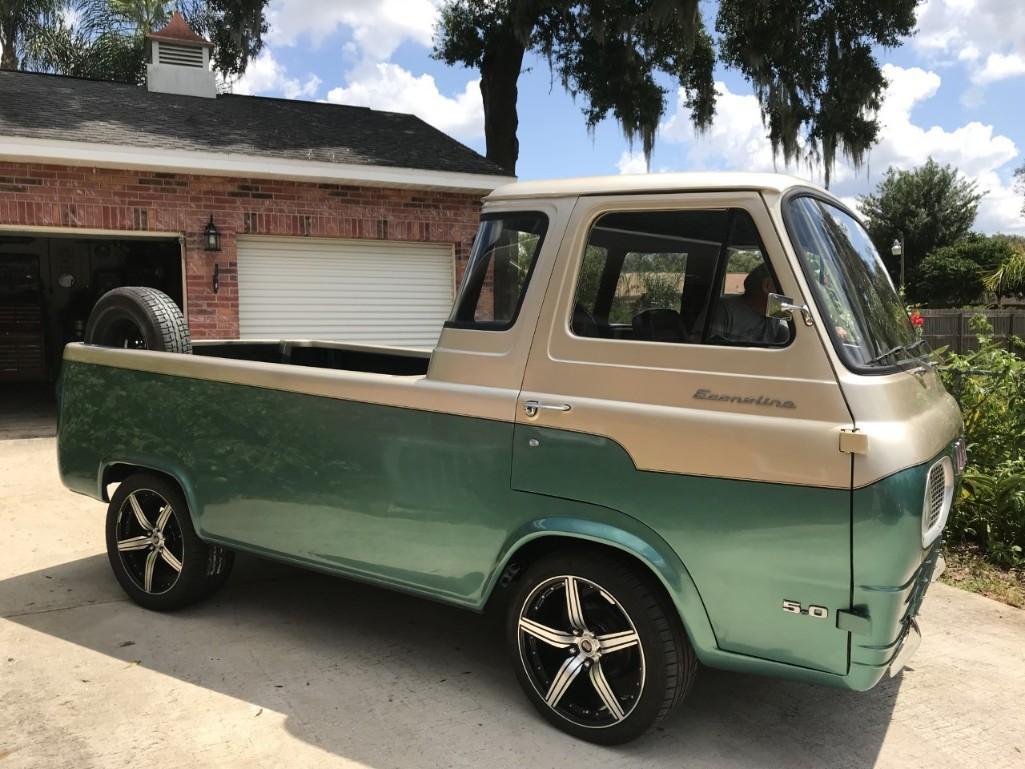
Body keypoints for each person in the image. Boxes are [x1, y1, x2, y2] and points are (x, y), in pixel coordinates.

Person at [708, 264, 790, 345]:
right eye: (787, 286)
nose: (790, 294)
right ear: (767, 285)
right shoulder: (723, 309)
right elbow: (707, 349)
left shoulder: (775, 309)